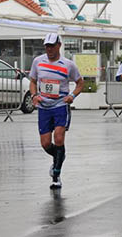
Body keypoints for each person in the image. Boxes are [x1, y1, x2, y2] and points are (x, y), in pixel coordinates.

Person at [29, 33, 84, 189]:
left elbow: (80, 83)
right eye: (47, 46)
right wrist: (34, 95)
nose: (49, 49)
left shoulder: (68, 64)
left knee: (59, 139)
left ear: (59, 45)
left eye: (52, 46)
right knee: (46, 143)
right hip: (44, 107)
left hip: (60, 106)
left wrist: (72, 95)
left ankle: (56, 174)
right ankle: (59, 156)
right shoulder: (38, 62)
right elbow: (32, 81)